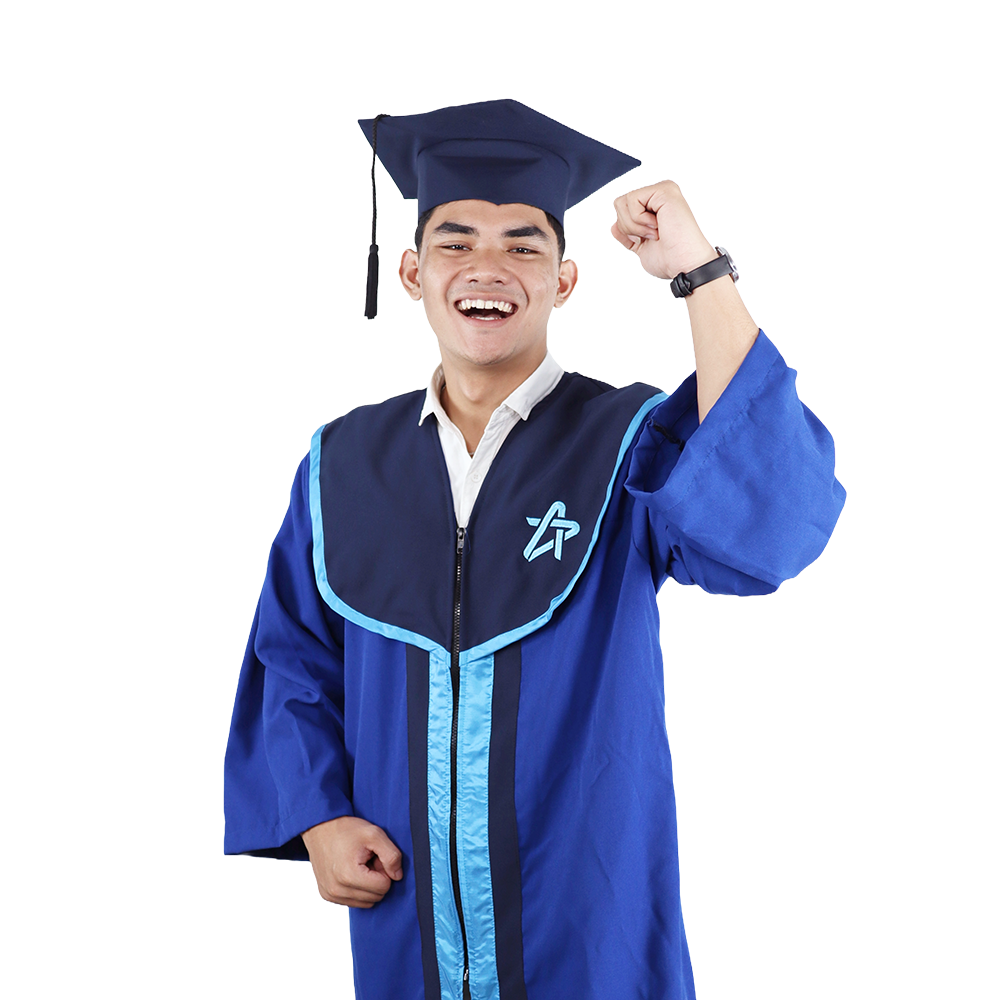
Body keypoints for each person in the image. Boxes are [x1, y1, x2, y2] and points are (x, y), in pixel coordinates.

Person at [224, 99, 846, 1000]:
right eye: (456, 242)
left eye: (523, 246)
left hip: (591, 926)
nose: (488, 267)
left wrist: (699, 272)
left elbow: (772, 527)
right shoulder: (341, 464)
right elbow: (292, 659)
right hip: (407, 925)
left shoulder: (626, 439)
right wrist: (318, 814)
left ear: (563, 282)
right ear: (411, 272)